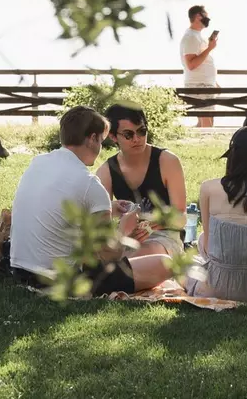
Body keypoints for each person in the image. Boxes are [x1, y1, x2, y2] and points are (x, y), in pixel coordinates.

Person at [10, 106, 173, 295]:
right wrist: (124, 231)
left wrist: (108, 207)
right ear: (93, 138)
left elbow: (59, 204)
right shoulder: (90, 185)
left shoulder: (38, 162)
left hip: (20, 270)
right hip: (61, 281)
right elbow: (106, 256)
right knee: (164, 263)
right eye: (101, 141)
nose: (100, 147)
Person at [187, 127, 247, 302]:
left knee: (189, 260)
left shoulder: (208, 188)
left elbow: (209, 247)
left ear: (233, 156)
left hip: (217, 287)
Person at [95, 104, 186, 259]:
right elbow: (100, 225)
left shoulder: (167, 161)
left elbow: (182, 217)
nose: (137, 139)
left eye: (142, 131)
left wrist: (163, 221)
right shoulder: (106, 171)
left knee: (135, 257)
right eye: (128, 134)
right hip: (126, 237)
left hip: (164, 236)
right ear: (113, 136)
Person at [180, 4, 219, 128]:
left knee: (205, 122)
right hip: (199, 86)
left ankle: (200, 142)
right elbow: (191, 64)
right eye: (206, 16)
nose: (208, 19)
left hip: (205, 84)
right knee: (207, 124)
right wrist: (209, 48)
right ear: (198, 16)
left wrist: (214, 82)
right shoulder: (190, 37)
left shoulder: (196, 35)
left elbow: (202, 61)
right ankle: (208, 144)